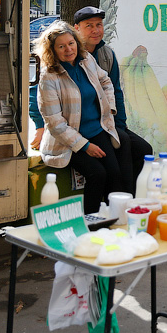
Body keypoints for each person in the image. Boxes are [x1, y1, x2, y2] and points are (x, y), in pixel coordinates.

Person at [31, 7, 152, 181]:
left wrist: (117, 122)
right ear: (77, 29)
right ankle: (122, 195)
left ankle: (128, 196)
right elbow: (41, 100)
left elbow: (114, 89)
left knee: (137, 148)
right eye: (89, 26)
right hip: (75, 129)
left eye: (99, 25)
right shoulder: (53, 69)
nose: (95, 30)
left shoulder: (102, 55)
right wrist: (39, 126)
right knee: (108, 166)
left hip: (102, 123)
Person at [34, 20, 133, 213]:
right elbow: (55, 124)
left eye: (71, 43)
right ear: (52, 50)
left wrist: (108, 108)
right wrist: (85, 146)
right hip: (66, 141)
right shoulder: (49, 77)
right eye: (61, 46)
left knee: (114, 172)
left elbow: (106, 81)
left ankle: (117, 221)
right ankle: (91, 223)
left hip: (97, 130)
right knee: (98, 174)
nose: (68, 49)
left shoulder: (86, 59)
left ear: (77, 42)